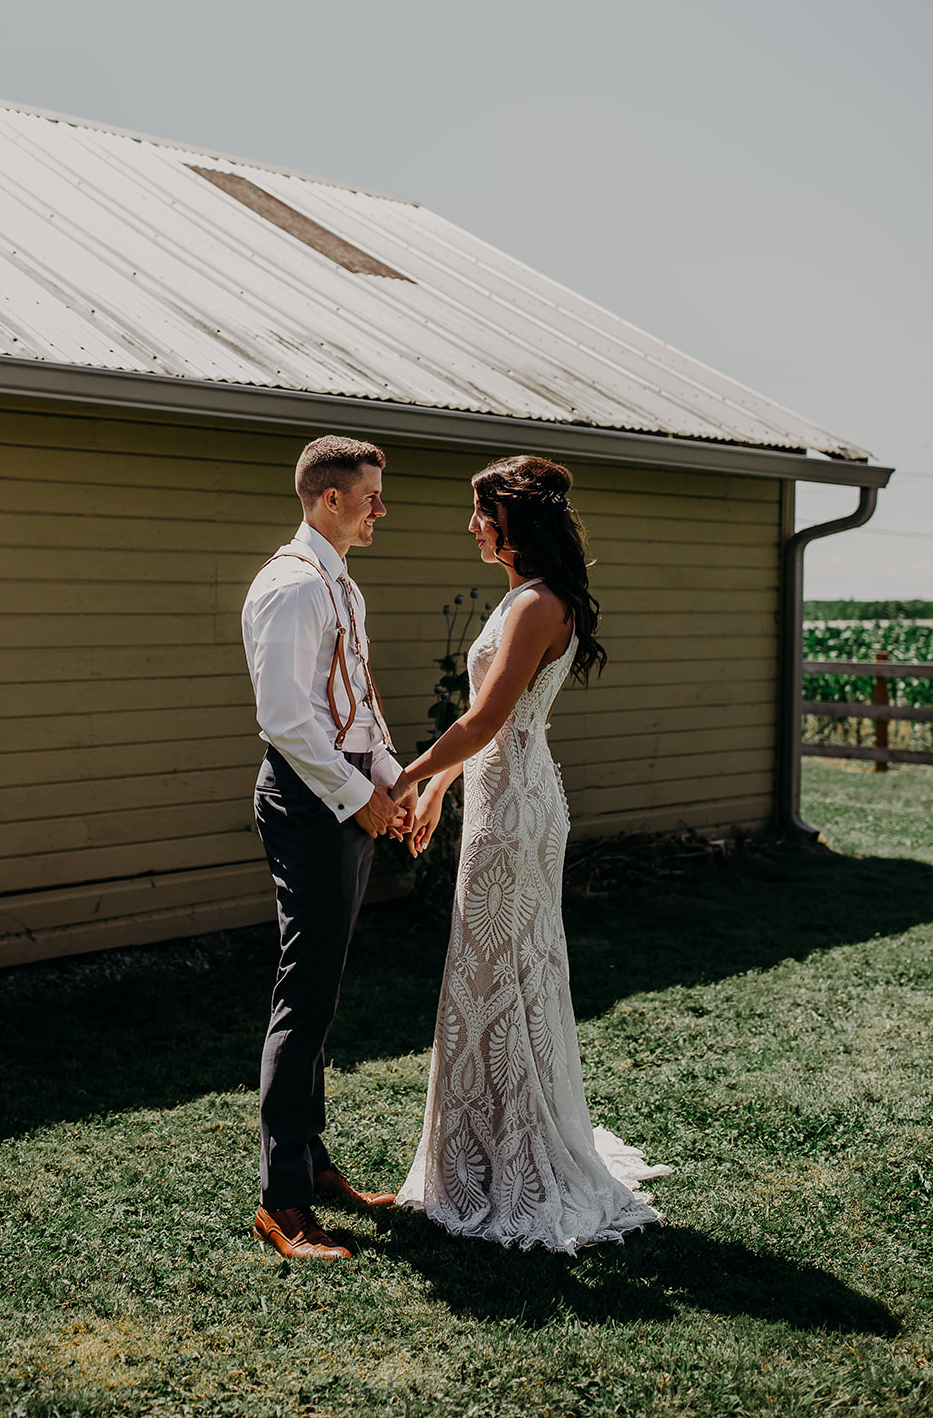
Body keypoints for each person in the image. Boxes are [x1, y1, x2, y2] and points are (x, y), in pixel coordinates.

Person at [391, 454, 671, 1253]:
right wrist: (443, 789)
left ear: (511, 520)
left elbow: (483, 720)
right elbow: (491, 726)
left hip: (512, 807)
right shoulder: (531, 598)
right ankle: (486, 1149)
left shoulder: (534, 605)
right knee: (498, 967)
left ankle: (507, 1167)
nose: (470, 526)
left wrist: (408, 778)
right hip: (507, 792)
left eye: (479, 513)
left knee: (501, 969)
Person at [241, 434, 413, 1260]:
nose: (381, 508)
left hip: (346, 787)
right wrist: (356, 801)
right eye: (370, 495)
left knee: (322, 990)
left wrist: (392, 780)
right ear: (327, 498)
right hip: (310, 800)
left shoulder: (342, 585)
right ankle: (281, 1202)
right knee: (303, 996)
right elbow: (285, 719)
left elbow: (355, 702)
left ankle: (310, 1165)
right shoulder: (290, 588)